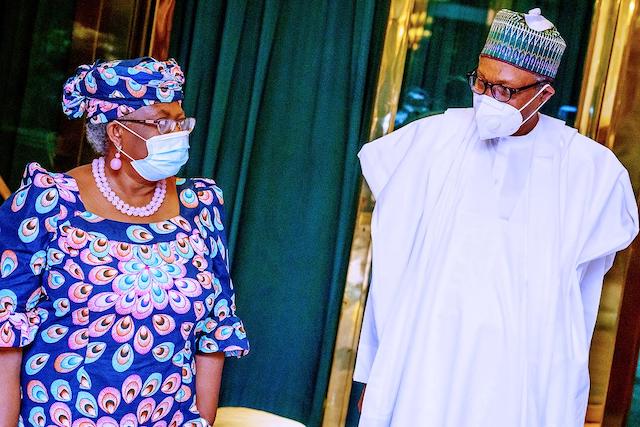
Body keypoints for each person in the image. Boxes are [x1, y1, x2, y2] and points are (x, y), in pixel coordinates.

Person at [354, 8, 639, 427]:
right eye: (481, 82)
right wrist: (373, 375)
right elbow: (390, 271)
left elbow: (583, 296)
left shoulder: (588, 172)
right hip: (423, 363)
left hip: (522, 377)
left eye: (505, 90)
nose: (488, 97)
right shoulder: (427, 144)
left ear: (543, 93)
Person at [0, 57, 249, 426]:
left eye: (181, 121)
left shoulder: (201, 206)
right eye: (162, 121)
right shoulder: (47, 202)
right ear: (117, 132)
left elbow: (214, 329)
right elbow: (7, 335)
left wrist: (203, 420)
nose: (177, 133)